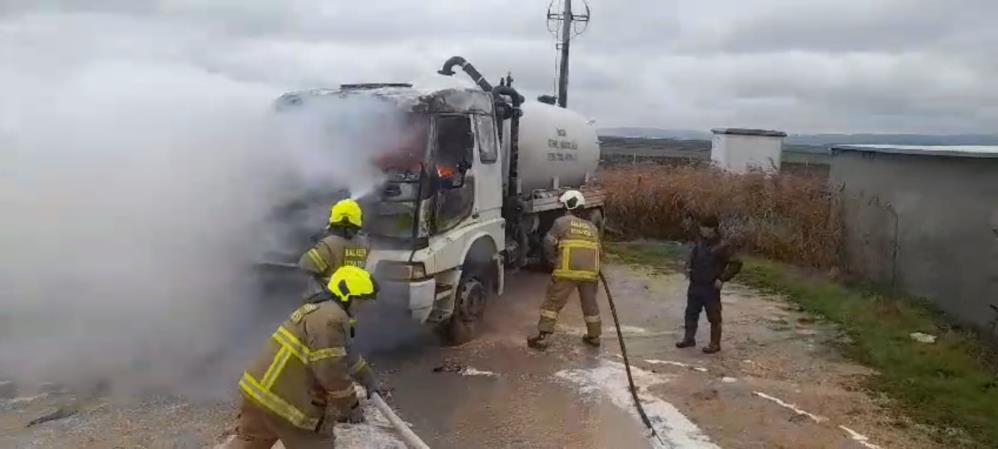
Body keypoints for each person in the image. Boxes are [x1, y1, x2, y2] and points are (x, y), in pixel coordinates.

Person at [232, 266, 382, 449]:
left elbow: (346, 355)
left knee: (248, 443)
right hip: (286, 405)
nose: (364, 307)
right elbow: (331, 370)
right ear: (347, 295)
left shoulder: (320, 310)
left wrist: (368, 379)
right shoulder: (332, 319)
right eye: (363, 300)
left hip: (258, 393)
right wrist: (350, 406)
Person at [528, 190, 603, 350]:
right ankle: (594, 336)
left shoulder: (561, 222)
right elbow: (598, 250)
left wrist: (552, 260)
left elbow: (548, 243)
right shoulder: (592, 228)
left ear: (569, 205)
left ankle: (543, 337)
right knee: (590, 304)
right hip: (590, 273)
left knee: (553, 303)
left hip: (567, 271)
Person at [676, 215, 742, 354]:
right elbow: (693, 256)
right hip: (695, 284)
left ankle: (715, 344)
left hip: (711, 286)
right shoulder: (700, 242)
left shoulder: (723, 245)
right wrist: (688, 268)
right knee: (691, 313)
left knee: (714, 316)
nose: (702, 230)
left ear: (713, 229)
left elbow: (736, 263)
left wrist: (722, 278)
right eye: (701, 227)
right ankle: (689, 339)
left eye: (705, 227)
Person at [299, 199, 369, 302]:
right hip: (352, 299)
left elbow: (305, 265)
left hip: (327, 299)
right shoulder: (364, 243)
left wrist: (318, 243)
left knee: (312, 281)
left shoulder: (328, 245)